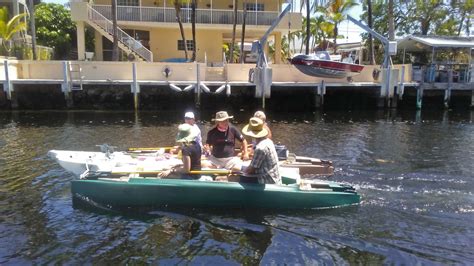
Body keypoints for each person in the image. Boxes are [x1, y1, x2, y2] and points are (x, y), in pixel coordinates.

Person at [242, 117, 281, 184]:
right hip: (274, 178)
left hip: (267, 180)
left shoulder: (260, 148)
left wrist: (240, 171)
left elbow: (250, 170)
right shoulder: (269, 141)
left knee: (239, 176)